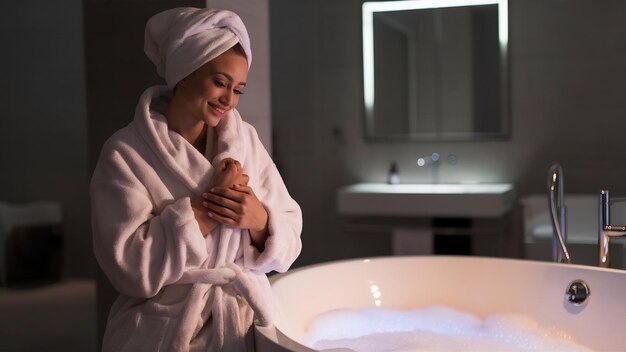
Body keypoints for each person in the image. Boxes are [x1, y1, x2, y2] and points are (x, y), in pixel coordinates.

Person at [89, 7, 303, 351]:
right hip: (164, 329)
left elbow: (290, 238)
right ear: (185, 74)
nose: (228, 100)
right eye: (220, 82)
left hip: (243, 321)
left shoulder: (244, 140)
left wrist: (260, 221)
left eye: (238, 90)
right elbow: (128, 267)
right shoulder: (125, 153)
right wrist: (204, 209)